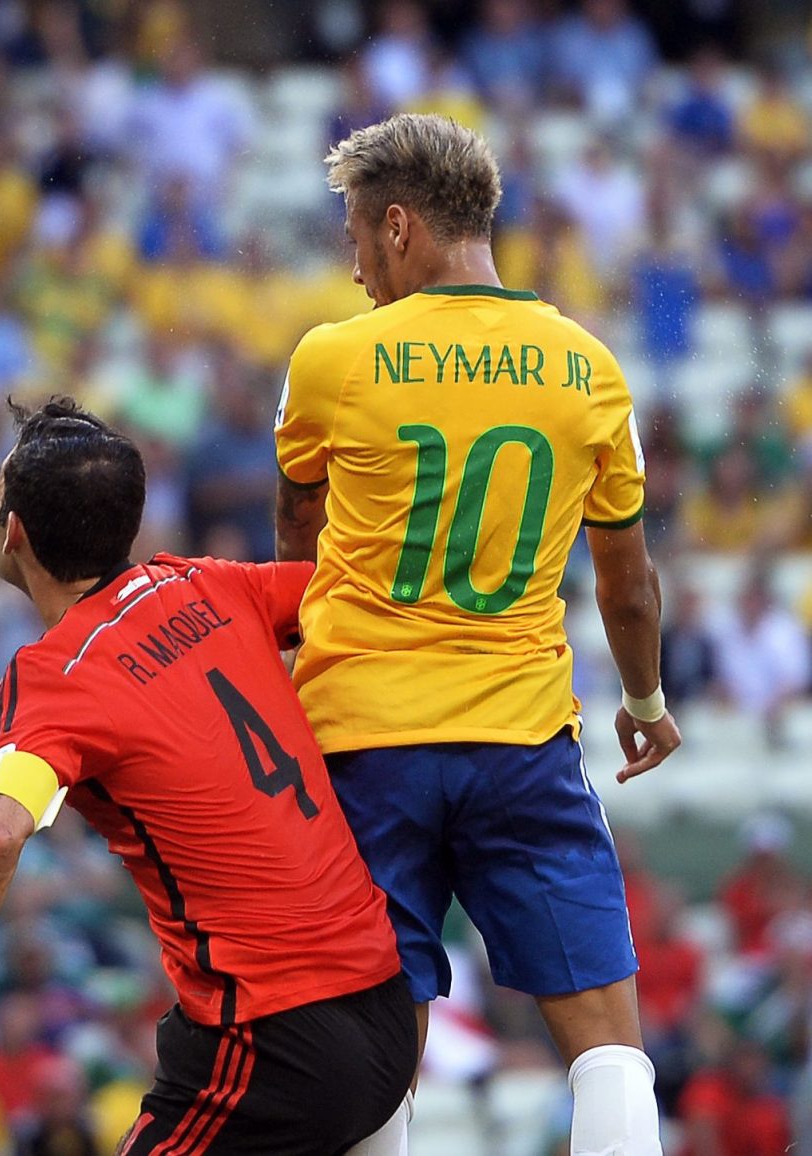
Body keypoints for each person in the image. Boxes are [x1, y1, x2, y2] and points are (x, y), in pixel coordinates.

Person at [274, 114, 682, 1156]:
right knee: (605, 1041)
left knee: (378, 1041)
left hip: (366, 745)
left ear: (400, 226)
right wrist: (644, 703)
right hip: (522, 740)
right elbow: (628, 586)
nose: (356, 267)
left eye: (360, 238)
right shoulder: (589, 369)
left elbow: (295, 540)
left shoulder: (332, 359)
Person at [0, 399, 416, 1154]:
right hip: (385, 1007)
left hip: (271, 1041)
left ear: (13, 532)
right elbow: (368, 600)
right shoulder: (212, 584)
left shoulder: (57, 677)